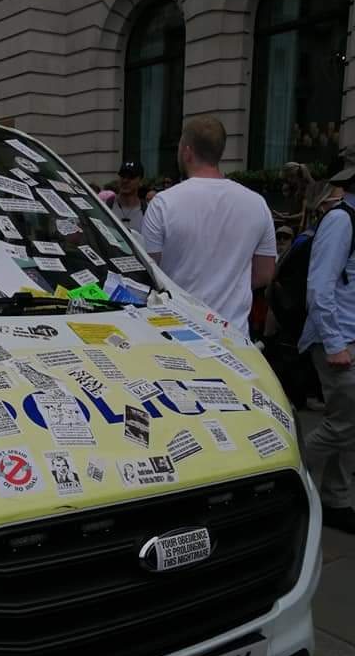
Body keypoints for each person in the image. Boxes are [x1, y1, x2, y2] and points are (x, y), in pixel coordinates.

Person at [141, 116, 276, 334]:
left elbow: (149, 271)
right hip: (233, 334)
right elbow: (264, 273)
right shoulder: (256, 203)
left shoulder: (163, 203)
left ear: (187, 152)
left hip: (178, 330)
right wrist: (226, 284)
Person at [298, 164, 355, 533]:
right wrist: (335, 343)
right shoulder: (341, 221)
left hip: (348, 337)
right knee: (343, 425)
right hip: (338, 340)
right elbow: (319, 287)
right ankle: (286, 477)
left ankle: (336, 499)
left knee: (348, 424)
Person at [112, 161, 146, 233]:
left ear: (141, 181)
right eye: (123, 176)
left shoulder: (147, 211)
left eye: (131, 177)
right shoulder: (105, 207)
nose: (125, 180)